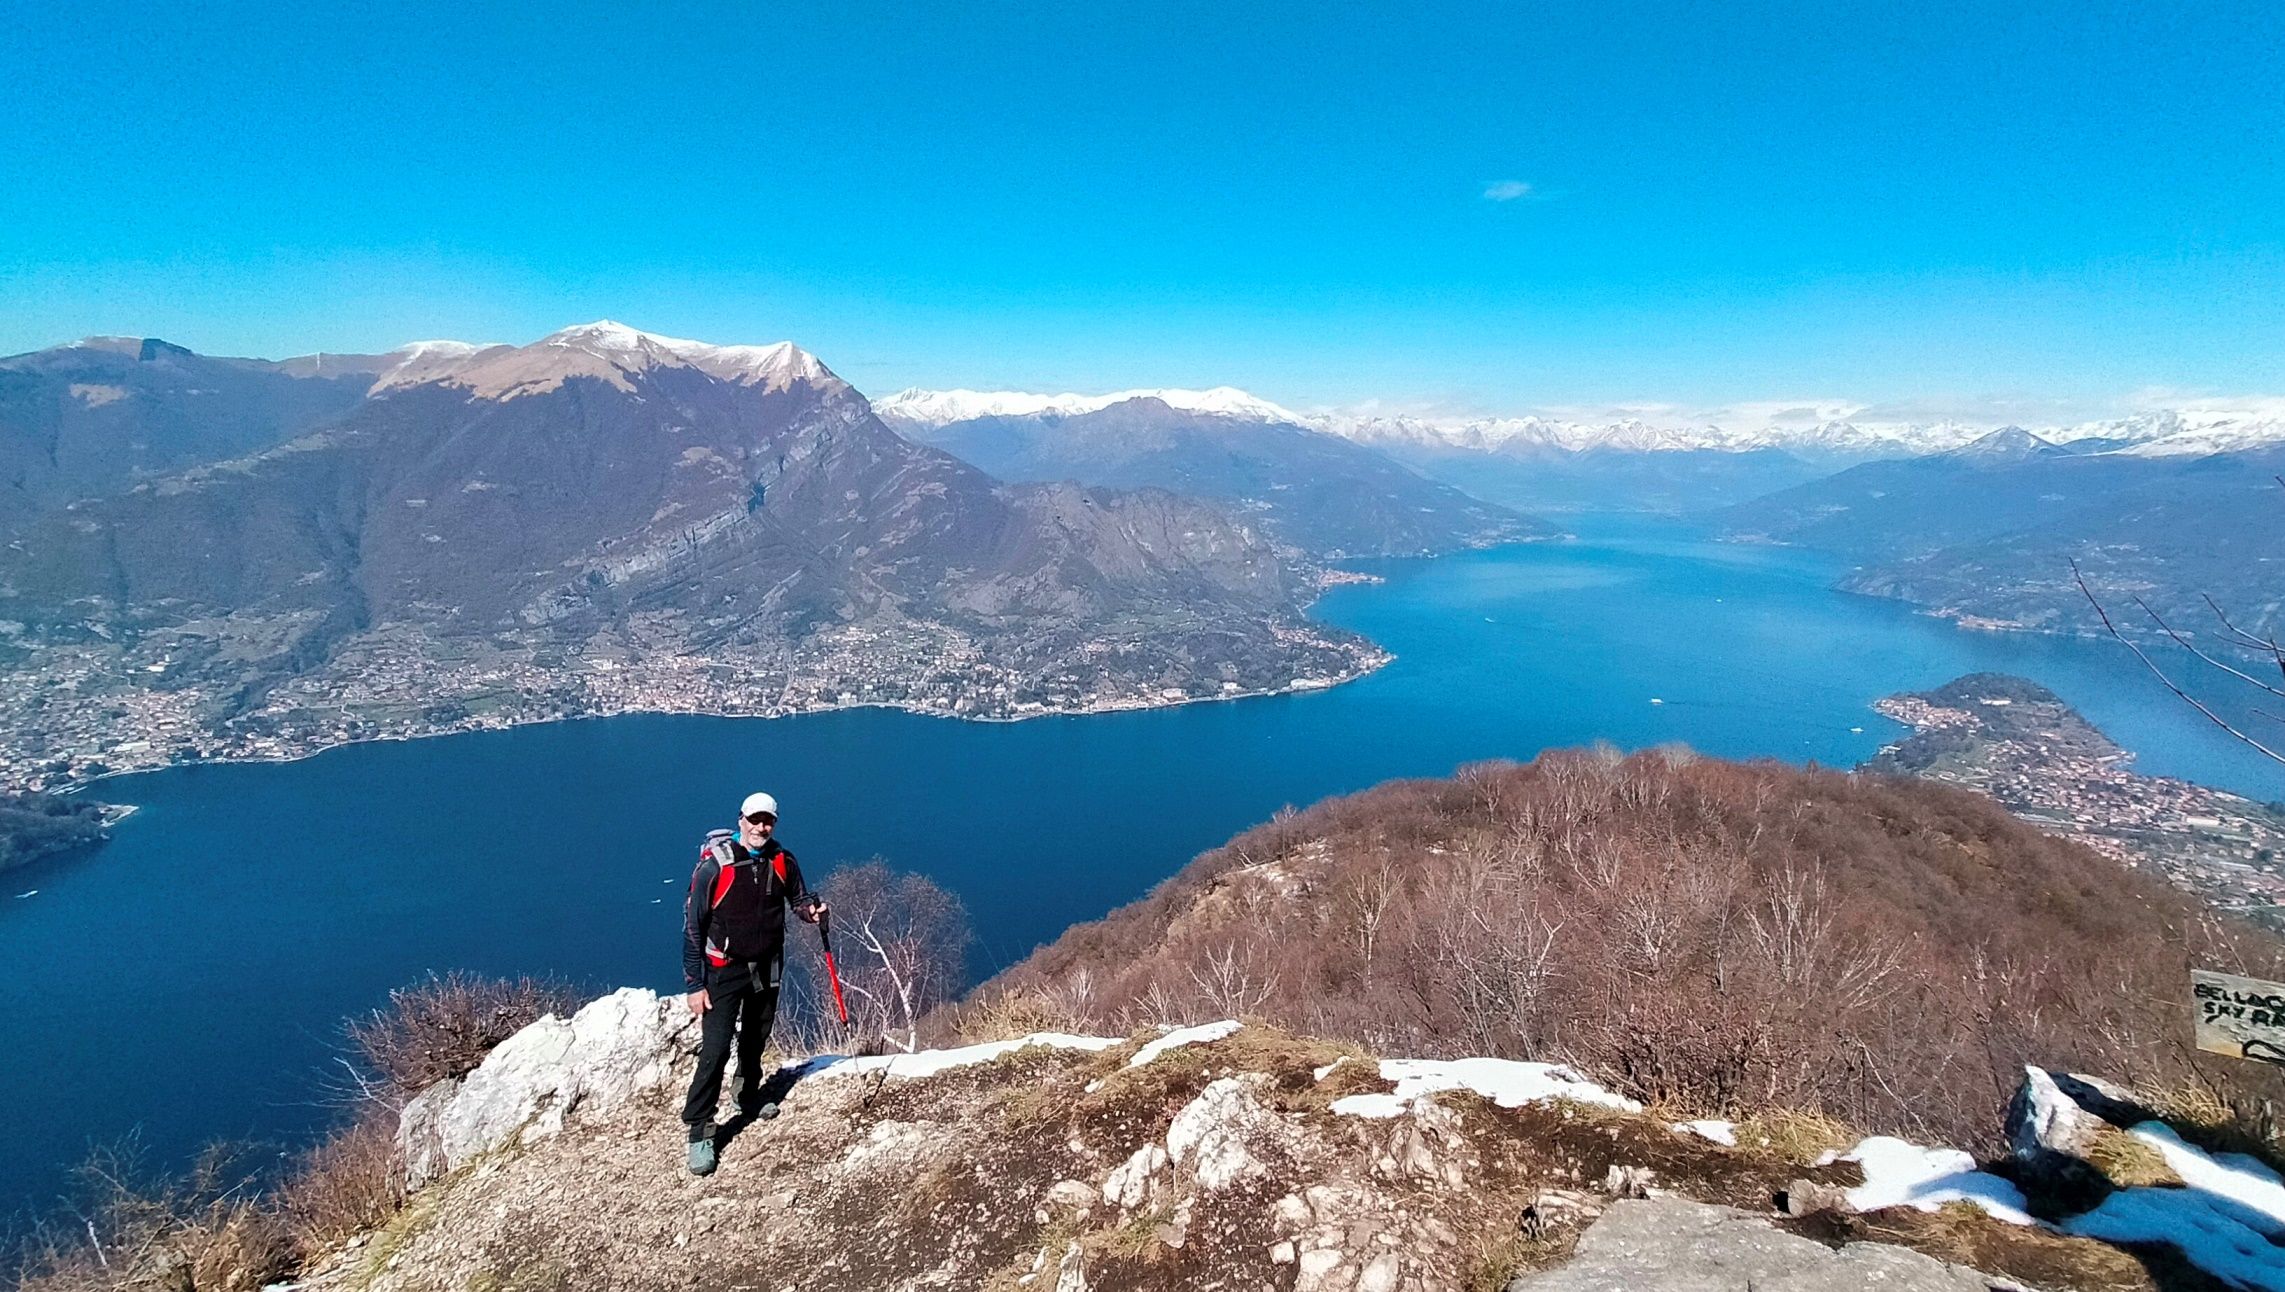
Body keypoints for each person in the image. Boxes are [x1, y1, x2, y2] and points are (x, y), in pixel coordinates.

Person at [679, 790, 825, 1175]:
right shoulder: (716, 868)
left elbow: (797, 899)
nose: (761, 827)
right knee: (715, 1048)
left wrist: (810, 912)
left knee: (756, 1036)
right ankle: (700, 1130)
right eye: (754, 819)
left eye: (768, 820)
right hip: (723, 970)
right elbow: (693, 928)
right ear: (741, 820)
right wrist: (695, 984)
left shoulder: (783, 860)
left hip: (767, 964)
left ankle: (746, 1094)